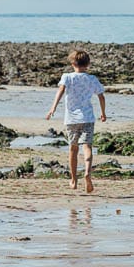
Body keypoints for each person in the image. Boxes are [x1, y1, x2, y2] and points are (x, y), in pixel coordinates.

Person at [46, 48, 106, 193]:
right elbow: (101, 96)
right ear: (88, 64)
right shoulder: (92, 79)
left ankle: (73, 179)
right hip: (88, 118)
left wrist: (53, 108)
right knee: (87, 147)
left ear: (73, 64)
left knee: (73, 149)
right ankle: (87, 173)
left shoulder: (67, 77)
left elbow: (60, 91)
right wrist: (103, 113)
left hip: (71, 119)